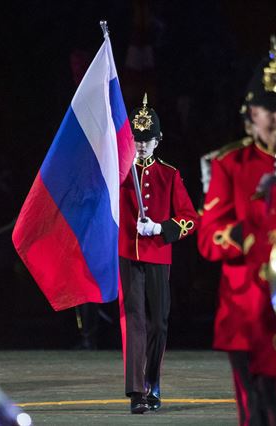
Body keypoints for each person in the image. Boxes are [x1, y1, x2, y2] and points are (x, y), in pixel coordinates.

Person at [197, 36, 276, 425]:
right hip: (247, 315)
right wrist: (255, 232)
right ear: (250, 112)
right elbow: (209, 239)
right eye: (268, 108)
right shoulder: (231, 164)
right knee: (257, 414)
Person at [118, 93, 199, 414]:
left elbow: (190, 218)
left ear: (158, 140)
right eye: (137, 140)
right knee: (135, 319)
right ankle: (138, 391)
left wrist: (161, 228)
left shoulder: (169, 174)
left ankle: (153, 382)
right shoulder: (121, 173)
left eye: (147, 140)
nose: (142, 145)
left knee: (159, 323)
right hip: (127, 253)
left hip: (158, 254)